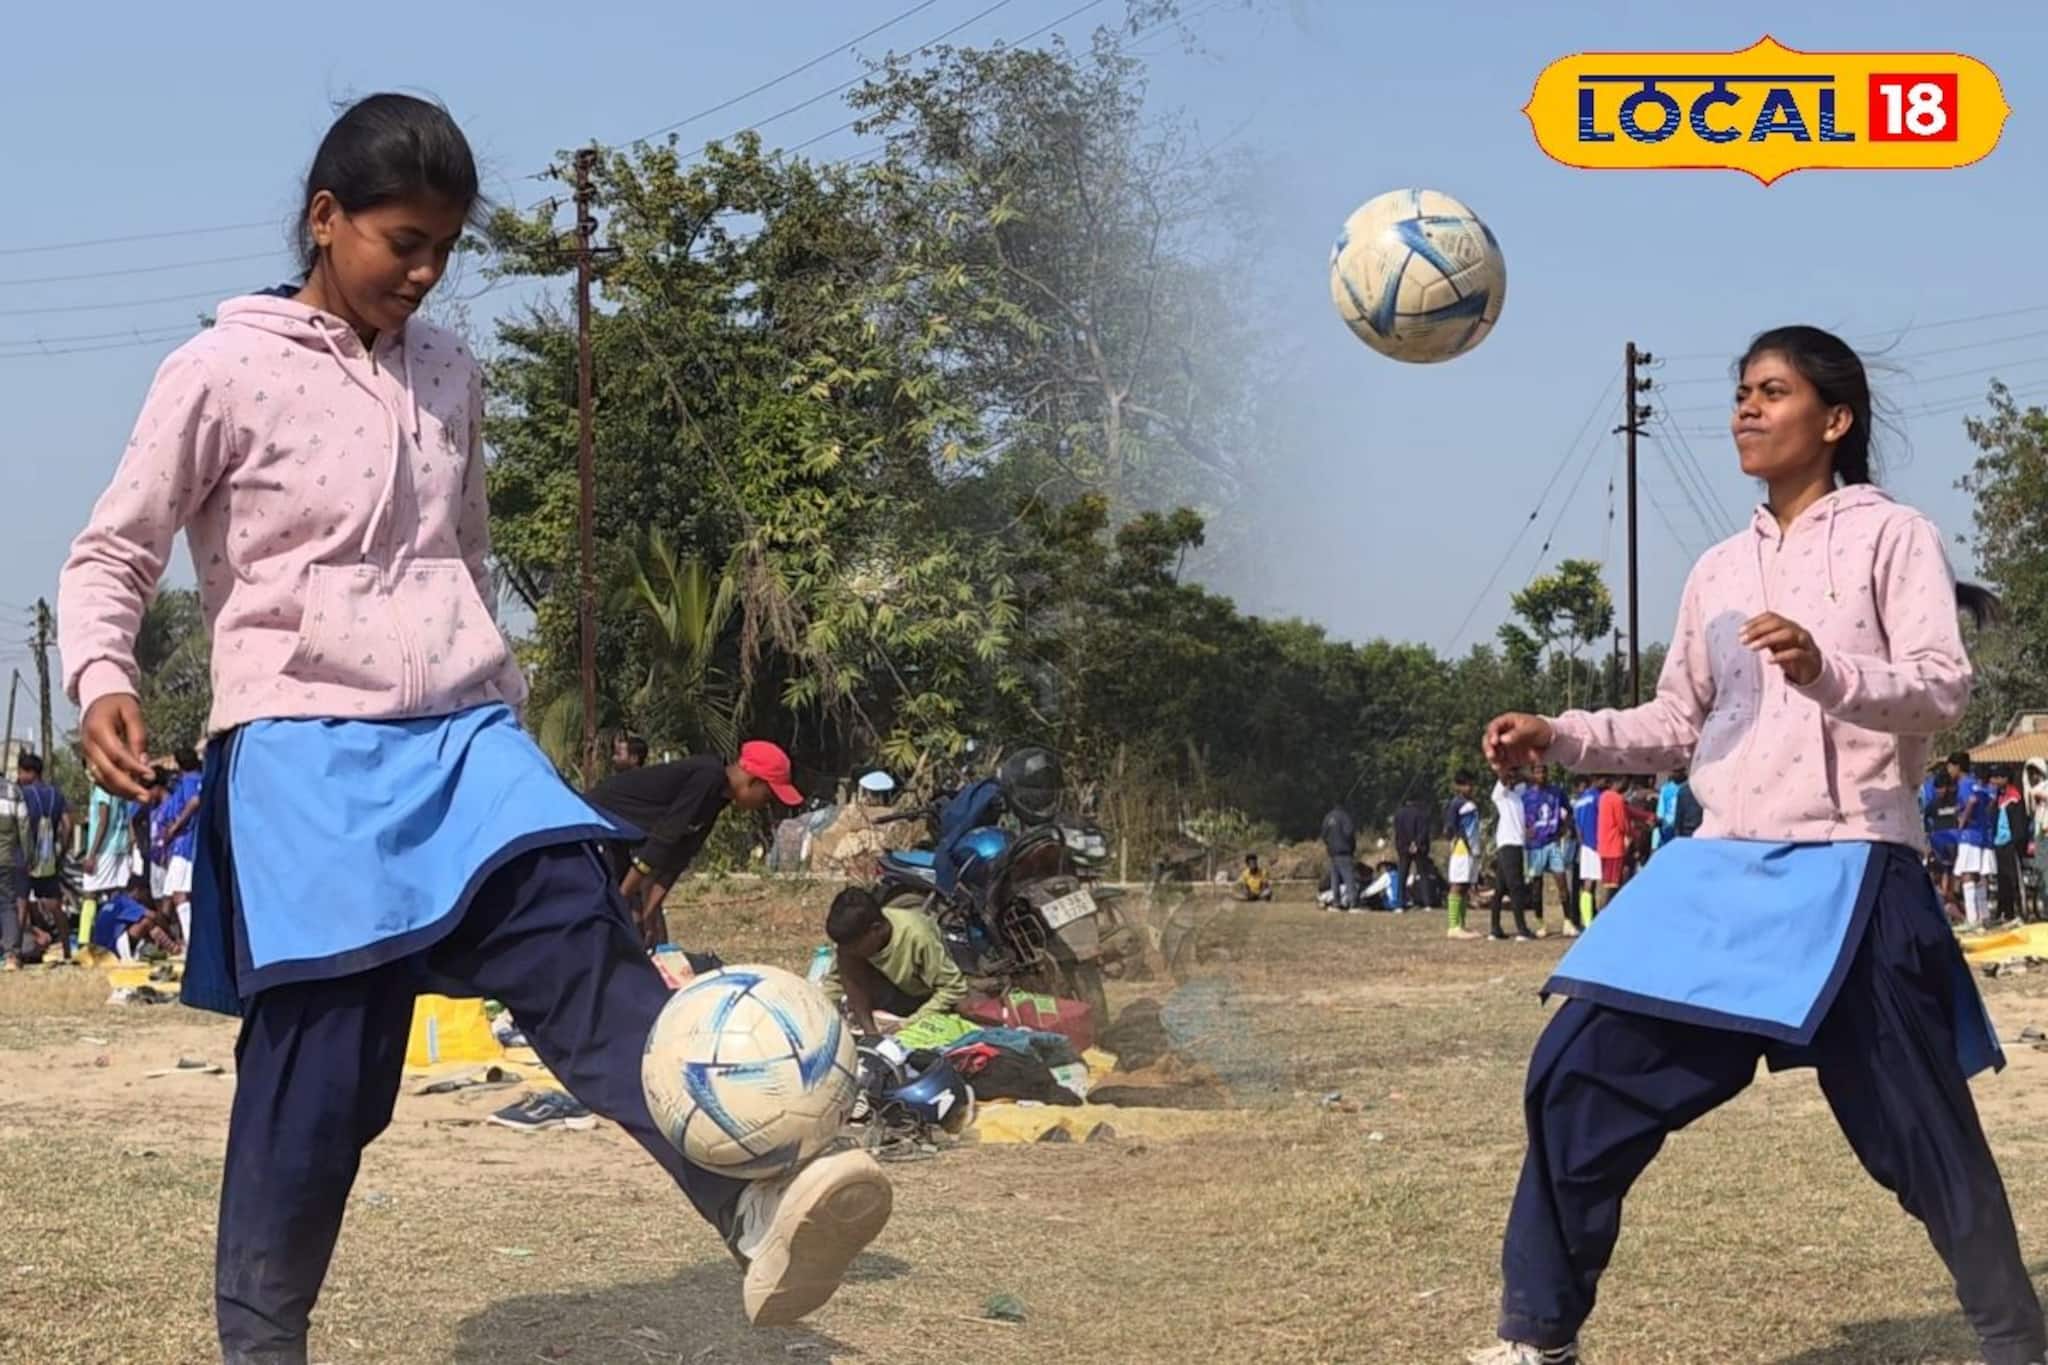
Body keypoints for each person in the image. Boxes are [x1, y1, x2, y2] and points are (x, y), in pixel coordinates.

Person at [57, 94, 892, 1362]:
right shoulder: (222, 368)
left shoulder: (449, 369)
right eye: (403, 239)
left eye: (445, 245)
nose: (425, 270)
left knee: (587, 949)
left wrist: (507, 727)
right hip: (304, 749)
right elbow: (119, 545)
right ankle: (261, 1340)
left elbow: (466, 553)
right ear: (325, 220)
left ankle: (752, 1206)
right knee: (321, 1079)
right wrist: (100, 674)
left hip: (464, 742)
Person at [1465, 325, 2045, 1365]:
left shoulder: (1890, 536)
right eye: (1739, 392)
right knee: (1572, 1074)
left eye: (1770, 392)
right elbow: (1675, 725)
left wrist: (1827, 669)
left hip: (1852, 871)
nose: (1743, 408)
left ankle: (2012, 1340)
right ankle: (1538, 1338)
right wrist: (1560, 735)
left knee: (1923, 1142)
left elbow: (1939, 687)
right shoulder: (1717, 570)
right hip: (1718, 870)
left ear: (1832, 420)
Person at [583, 742, 801, 950]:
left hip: (622, 836)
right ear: (753, 781)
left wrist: (649, 911)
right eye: (768, 795)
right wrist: (623, 898)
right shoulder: (709, 776)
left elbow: (679, 855)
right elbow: (663, 839)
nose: (766, 803)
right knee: (609, 911)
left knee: (633, 921)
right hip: (598, 822)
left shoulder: (718, 797)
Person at [816, 887, 967, 1034]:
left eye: (855, 947)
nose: (849, 952)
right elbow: (835, 982)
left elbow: (954, 988)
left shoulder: (917, 936)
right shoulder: (851, 946)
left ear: (875, 930)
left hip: (920, 999)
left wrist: (908, 1024)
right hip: (882, 997)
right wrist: (817, 1007)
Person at [17, 752, 71, 959]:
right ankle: (67, 950)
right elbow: (68, 825)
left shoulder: (25, 794)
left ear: (30, 772)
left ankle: (14, 952)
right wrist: (61, 853)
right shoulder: (56, 794)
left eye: (21, 772)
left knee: (21, 902)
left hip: (26, 856)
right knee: (55, 905)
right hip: (48, 858)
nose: (20, 777)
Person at [1521, 764, 1575, 937]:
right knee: (1536, 887)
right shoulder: (1526, 796)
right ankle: (1541, 923)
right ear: (1532, 774)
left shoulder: (1556, 792)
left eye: (1544, 771)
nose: (1542, 775)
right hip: (1535, 846)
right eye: (1537, 772)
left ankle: (1567, 921)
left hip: (1552, 843)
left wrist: (1564, 828)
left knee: (1562, 882)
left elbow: (1569, 811)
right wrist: (1525, 831)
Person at [1951, 750, 1997, 928]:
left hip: (1969, 835)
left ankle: (1971, 919)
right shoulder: (1977, 784)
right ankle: (1983, 916)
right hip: (1982, 835)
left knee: (1967, 874)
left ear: (1956, 766)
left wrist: (1963, 819)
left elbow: (1971, 800)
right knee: (1980, 875)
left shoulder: (1964, 783)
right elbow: (1987, 802)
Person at [1489, 770, 1535, 941]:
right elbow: (1502, 776)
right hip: (1509, 844)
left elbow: (1532, 780)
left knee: (1500, 889)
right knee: (1516, 887)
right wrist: (1508, 770)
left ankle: (1495, 929)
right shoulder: (1500, 794)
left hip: (1514, 844)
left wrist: (1519, 773)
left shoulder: (1517, 794)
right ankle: (1522, 930)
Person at [1443, 773, 1484, 940]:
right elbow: (1449, 827)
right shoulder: (1456, 804)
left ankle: (1461, 924)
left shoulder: (1470, 804)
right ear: (1457, 786)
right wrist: (1453, 840)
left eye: (1471, 784)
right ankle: (1453, 926)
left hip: (1472, 849)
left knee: (1465, 886)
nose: (1470, 788)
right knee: (1457, 884)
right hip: (1462, 848)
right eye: (1465, 785)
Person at [0, 762, 24, 970]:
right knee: (7, 905)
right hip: (6, 858)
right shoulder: (13, 791)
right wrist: (29, 855)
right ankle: (11, 957)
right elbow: (23, 827)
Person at [1393, 795, 1434, 910]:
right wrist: (1416, 843)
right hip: (1420, 848)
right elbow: (1424, 831)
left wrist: (1407, 844)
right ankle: (1427, 903)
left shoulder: (1399, 814)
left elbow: (1398, 831)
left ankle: (1399, 904)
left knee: (1402, 875)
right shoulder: (1422, 813)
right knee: (1423, 874)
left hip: (1403, 847)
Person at [1321, 801, 1360, 912]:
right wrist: (1352, 847)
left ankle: (1336, 903)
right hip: (1344, 852)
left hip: (1332, 853)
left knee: (1335, 879)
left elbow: (1324, 835)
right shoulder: (1345, 817)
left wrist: (1330, 846)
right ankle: (1353, 903)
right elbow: (1349, 833)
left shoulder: (1328, 817)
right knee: (1349, 878)